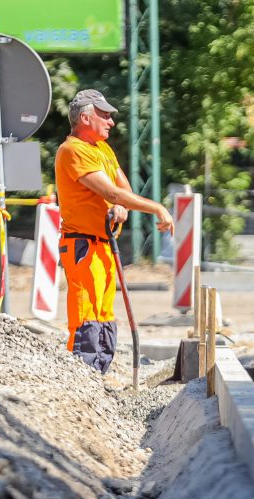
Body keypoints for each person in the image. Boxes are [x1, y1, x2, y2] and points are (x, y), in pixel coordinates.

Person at [55, 89, 174, 373]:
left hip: (103, 244)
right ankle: (83, 375)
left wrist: (121, 207)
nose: (111, 121)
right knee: (87, 314)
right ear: (85, 117)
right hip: (82, 245)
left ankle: (100, 374)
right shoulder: (73, 151)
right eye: (104, 115)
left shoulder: (102, 150)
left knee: (104, 313)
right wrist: (156, 208)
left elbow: (123, 192)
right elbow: (110, 191)